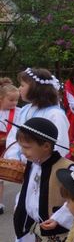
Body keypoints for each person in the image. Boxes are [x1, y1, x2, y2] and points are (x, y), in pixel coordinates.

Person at [1, 68, 70, 242]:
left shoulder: (55, 114)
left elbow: (60, 146)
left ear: (36, 87)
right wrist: (15, 156)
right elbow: (14, 137)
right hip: (31, 169)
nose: (19, 89)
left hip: (47, 171)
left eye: (23, 85)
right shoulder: (26, 110)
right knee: (25, 210)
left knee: (44, 213)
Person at [0, 78, 21, 215]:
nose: (14, 103)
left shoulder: (19, 112)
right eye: (11, 100)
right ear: (1, 98)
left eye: (16, 100)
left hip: (7, 148)